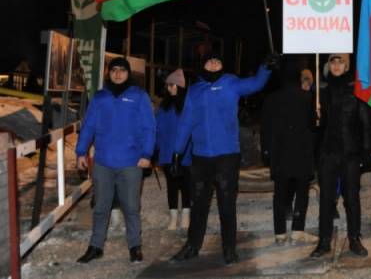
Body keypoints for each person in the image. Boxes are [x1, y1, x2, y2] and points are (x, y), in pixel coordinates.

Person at [170, 51, 275, 265]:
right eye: (210, 60)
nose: (214, 63)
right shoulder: (195, 90)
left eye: (218, 60)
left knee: (227, 205)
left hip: (227, 155)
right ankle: (192, 246)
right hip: (201, 157)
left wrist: (266, 66)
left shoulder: (231, 83)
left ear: (221, 66)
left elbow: (255, 84)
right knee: (198, 204)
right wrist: (176, 152)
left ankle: (229, 249)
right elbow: (186, 123)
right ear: (204, 65)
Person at [76, 57, 156, 264]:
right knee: (101, 207)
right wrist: (81, 152)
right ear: (108, 73)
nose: (118, 73)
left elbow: (149, 127)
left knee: (131, 207)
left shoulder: (139, 96)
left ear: (128, 73)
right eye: (114, 70)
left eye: (122, 70)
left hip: (131, 162)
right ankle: (96, 246)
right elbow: (89, 127)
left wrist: (147, 154)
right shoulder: (100, 97)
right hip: (103, 162)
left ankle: (134, 247)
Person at [310, 54, 371, 258]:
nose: (336, 65)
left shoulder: (355, 91)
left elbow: (365, 122)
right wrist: (314, 116)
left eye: (340, 62)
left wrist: (366, 152)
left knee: (351, 199)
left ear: (346, 67)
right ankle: (324, 241)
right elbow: (312, 127)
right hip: (327, 153)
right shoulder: (320, 91)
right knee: (327, 199)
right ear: (328, 66)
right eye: (333, 62)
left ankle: (355, 239)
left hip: (350, 153)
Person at [264, 66, 317, 244]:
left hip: (279, 153)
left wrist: (267, 152)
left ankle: (279, 233)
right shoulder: (307, 98)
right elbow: (313, 126)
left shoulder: (271, 99)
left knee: (279, 193)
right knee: (302, 192)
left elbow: (266, 128)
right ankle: (297, 230)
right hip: (301, 152)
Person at [155, 68, 192, 231]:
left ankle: (185, 215)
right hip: (167, 153)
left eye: (173, 85)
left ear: (180, 86)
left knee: (185, 185)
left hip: (186, 153)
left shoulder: (188, 106)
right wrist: (155, 148)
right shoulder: (163, 107)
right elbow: (157, 129)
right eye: (168, 85)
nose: (169, 88)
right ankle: (173, 217)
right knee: (171, 185)